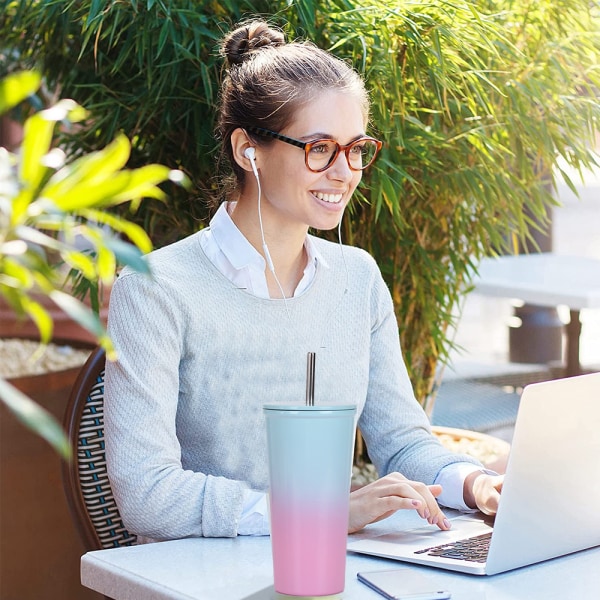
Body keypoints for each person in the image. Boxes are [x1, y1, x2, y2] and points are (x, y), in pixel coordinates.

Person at [104, 19, 503, 543]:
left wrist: (476, 484)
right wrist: (318, 516)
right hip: (201, 581)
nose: (344, 171)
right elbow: (148, 496)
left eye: (356, 148)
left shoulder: (357, 279)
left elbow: (403, 442)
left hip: (332, 571)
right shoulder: (156, 289)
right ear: (249, 149)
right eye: (320, 148)